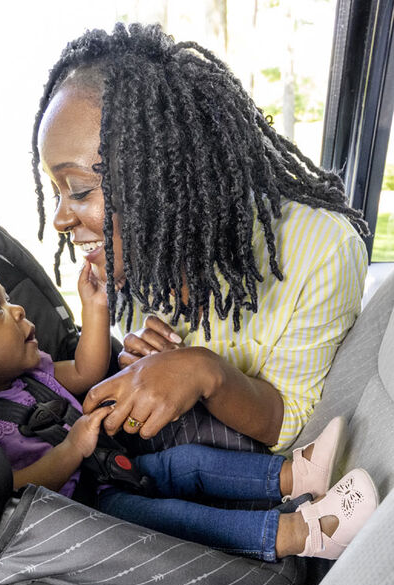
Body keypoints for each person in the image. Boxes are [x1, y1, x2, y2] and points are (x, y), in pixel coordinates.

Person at [0, 243, 378, 562]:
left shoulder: (28, 371)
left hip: (111, 465)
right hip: (89, 512)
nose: (18, 308)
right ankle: (307, 533)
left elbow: (87, 372)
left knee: (189, 464)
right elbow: (6, 490)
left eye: (7, 299)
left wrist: (96, 309)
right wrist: (69, 452)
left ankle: (296, 476)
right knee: (181, 518)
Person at [31, 23, 370, 454]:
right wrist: (146, 366)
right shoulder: (140, 256)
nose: (60, 218)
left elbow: (292, 420)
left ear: (160, 181)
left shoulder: (324, 250)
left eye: (78, 190)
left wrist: (204, 371)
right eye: (55, 190)